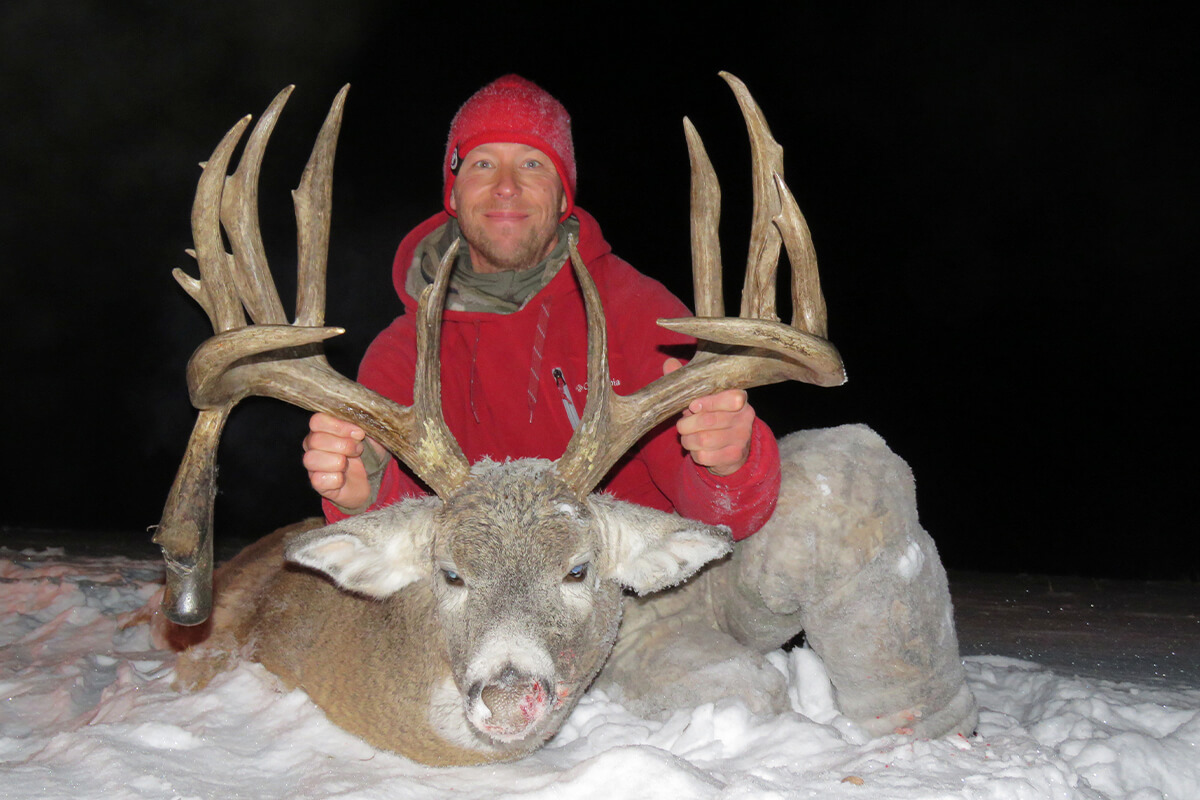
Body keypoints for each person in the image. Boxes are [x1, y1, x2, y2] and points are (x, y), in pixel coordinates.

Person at [301, 75, 977, 739]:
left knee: (848, 475)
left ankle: (931, 746)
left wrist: (727, 461)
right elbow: (411, 536)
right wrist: (358, 493)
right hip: (573, 618)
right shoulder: (402, 353)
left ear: (564, 192)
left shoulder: (633, 307)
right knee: (735, 716)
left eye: (531, 164)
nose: (505, 187)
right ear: (453, 189)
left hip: (677, 558)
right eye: (482, 163)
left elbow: (724, 512)